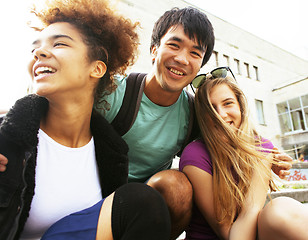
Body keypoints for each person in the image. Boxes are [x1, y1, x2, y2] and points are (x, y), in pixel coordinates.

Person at [97, 7, 293, 239]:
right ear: (154, 50)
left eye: (195, 53)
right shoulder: (112, 91)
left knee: (176, 185)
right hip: (94, 194)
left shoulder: (194, 113)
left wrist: (273, 156)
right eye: (174, 45)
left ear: (200, 65)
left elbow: (236, 132)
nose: (181, 59)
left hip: (147, 206)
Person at [0, 0, 170, 239]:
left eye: (59, 43)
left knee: (141, 202)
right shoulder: (6, 138)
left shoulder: (112, 154)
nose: (39, 53)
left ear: (97, 69)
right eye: (35, 49)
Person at [179, 68, 308, 240]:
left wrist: (269, 163)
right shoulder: (195, 155)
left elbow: (256, 213)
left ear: (240, 106)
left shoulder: (262, 146)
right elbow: (227, 232)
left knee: (280, 209)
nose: (221, 115)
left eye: (228, 103)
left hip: (253, 231)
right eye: (211, 109)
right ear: (203, 116)